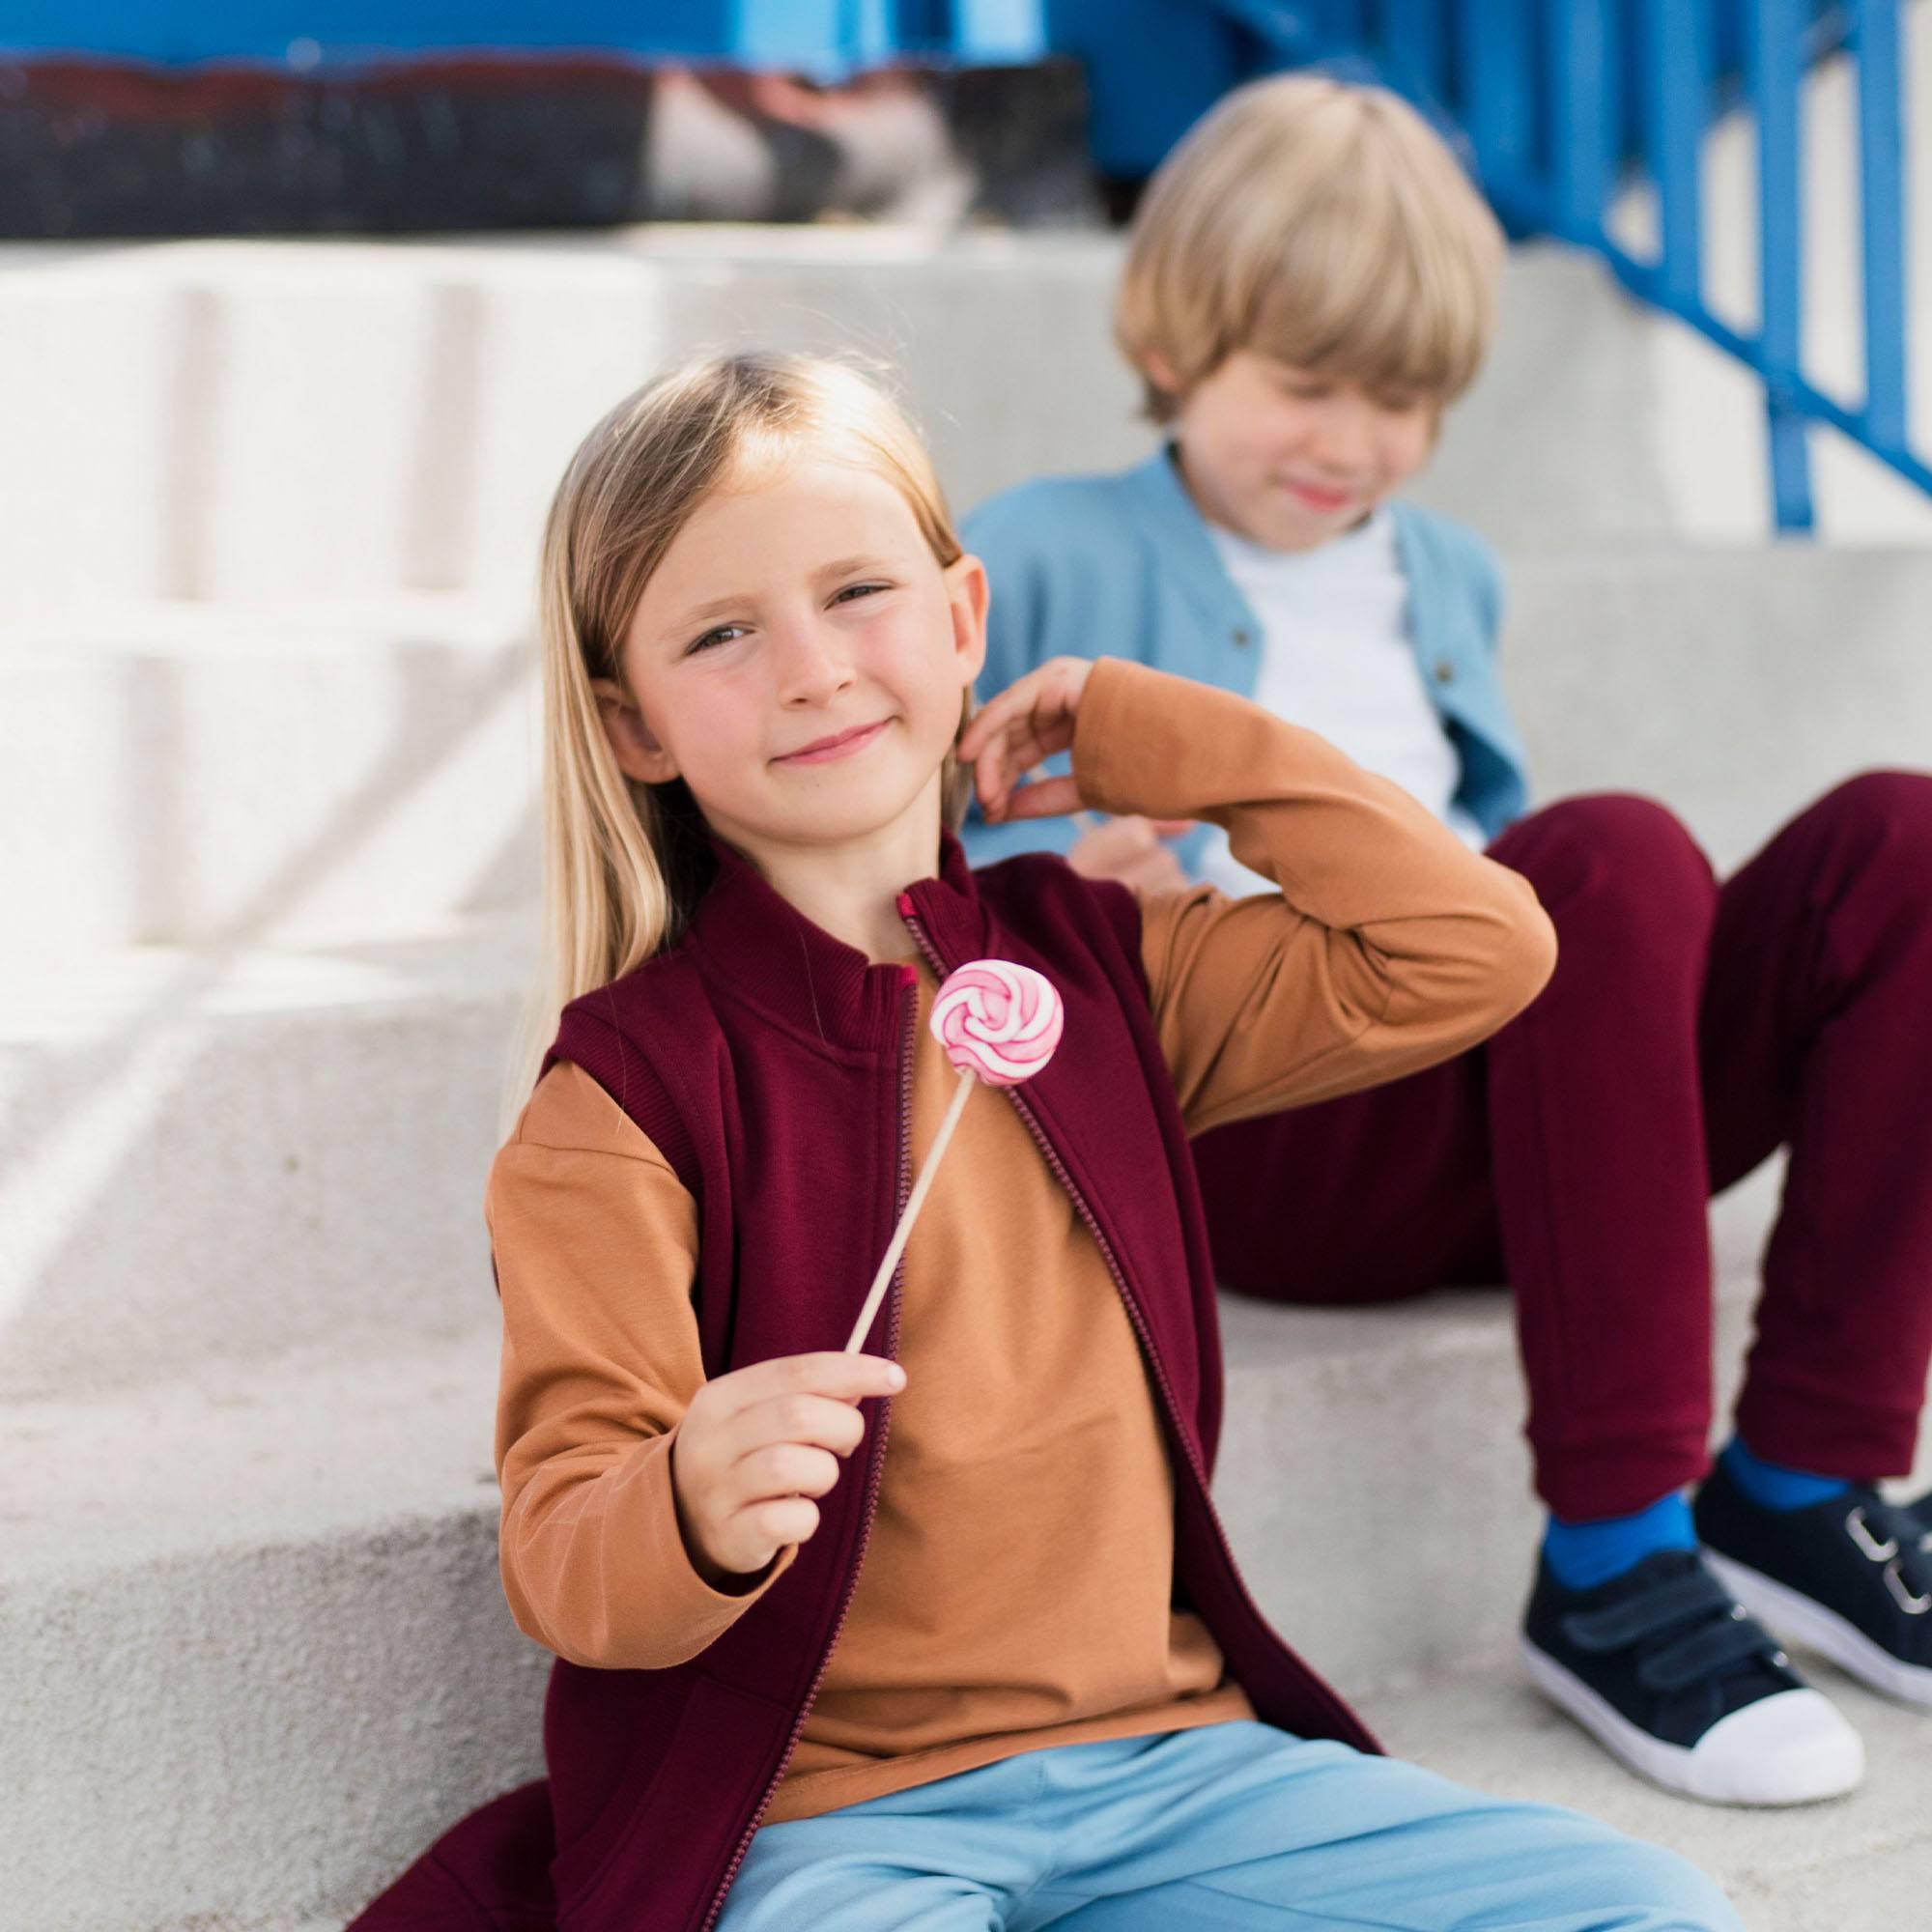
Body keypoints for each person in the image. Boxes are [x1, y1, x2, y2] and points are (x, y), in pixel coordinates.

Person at [349, 352, 1745, 1932]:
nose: (811, 670)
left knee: (1647, 1909)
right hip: (833, 1821)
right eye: (723, 633)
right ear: (634, 726)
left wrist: (1172, 739)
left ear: (961, 622)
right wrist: (683, 1498)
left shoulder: (1101, 969)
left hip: (1180, 1774)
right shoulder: (621, 1099)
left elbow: (1478, 950)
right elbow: (560, 1539)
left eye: (857, 593)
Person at [961, 70, 1932, 1809]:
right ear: (1177, 343)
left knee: (1903, 844)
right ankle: (1616, 1559)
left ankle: (1804, 1486)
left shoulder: (1450, 575)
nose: (1354, 439)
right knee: (1614, 856)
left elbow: (1517, 909)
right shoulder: (1045, 550)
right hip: (1277, 1130)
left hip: (1490, 1092)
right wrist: (1060, 900)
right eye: (1306, 383)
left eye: (1404, 397)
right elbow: (901, 871)